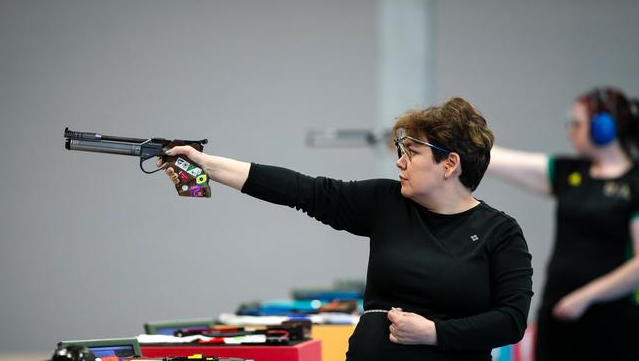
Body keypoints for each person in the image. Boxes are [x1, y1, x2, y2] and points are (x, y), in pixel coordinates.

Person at [159, 97, 533, 361]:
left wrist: (434, 333)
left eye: (412, 153)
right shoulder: (386, 202)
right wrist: (205, 164)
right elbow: (301, 189)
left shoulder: (500, 232)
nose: (400, 162)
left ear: (449, 164)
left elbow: (511, 320)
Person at [488, 87, 639, 360]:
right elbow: (495, 159)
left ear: (604, 127)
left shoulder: (635, 183)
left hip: (613, 321)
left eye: (577, 123)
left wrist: (586, 297)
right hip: (558, 311)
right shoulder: (570, 172)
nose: (570, 130)